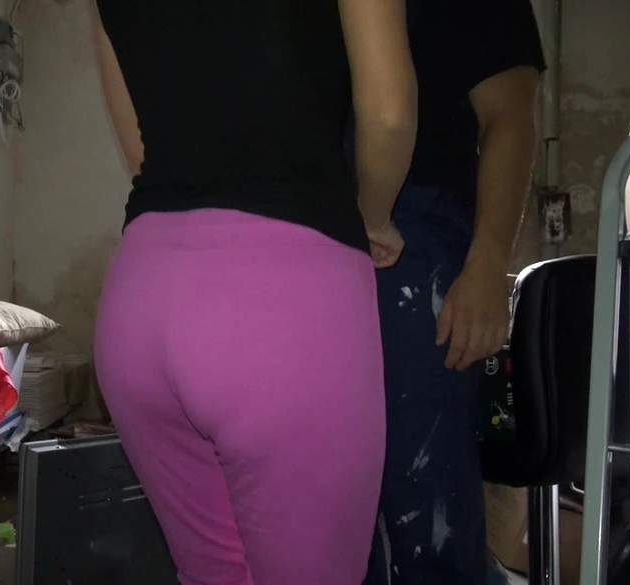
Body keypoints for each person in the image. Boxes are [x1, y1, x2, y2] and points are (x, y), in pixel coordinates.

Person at [91, 1, 416, 584]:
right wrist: (370, 219)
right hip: (286, 301)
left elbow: (141, 148)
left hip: (141, 300)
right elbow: (389, 114)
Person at [359, 0, 547, 583]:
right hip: (312, 246)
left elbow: (509, 113)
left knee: (429, 515)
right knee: (335, 524)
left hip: (419, 245)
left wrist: (488, 265)